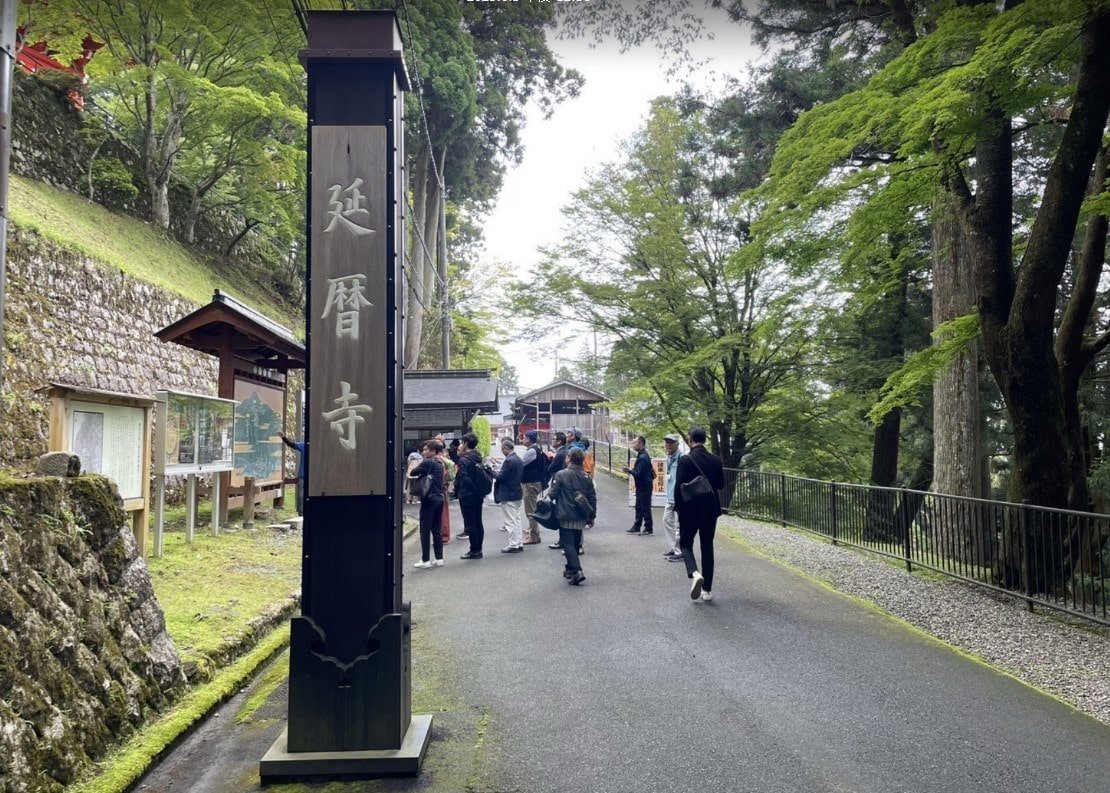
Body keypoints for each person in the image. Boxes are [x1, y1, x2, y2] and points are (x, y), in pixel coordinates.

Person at [673, 425, 726, 602]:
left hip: (689, 510)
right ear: (704, 440)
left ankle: (694, 573)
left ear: (690, 440)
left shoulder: (685, 460)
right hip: (710, 510)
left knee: (686, 544)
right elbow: (720, 484)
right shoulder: (715, 460)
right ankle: (707, 590)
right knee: (707, 546)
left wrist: (678, 509)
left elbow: (678, 488)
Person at [548, 447, 596, 586]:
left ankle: (577, 570)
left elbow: (553, 494)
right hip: (581, 514)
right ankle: (569, 569)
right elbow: (592, 498)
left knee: (568, 544)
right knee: (574, 544)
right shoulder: (587, 477)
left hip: (565, 514)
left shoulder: (561, 474)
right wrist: (592, 516)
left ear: (569, 458)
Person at [407, 440, 446, 569]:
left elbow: (413, 472)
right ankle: (439, 558)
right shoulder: (440, 463)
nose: (423, 452)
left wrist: (417, 466)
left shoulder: (428, 462)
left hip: (428, 499)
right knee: (436, 529)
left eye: (425, 450)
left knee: (424, 529)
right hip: (439, 498)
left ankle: (425, 560)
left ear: (433, 451)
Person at [455, 433, 487, 559]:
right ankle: (479, 549)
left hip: (467, 495)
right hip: (478, 494)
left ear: (466, 444)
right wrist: (478, 491)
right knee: (478, 521)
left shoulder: (464, 460)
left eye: (462, 443)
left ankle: (474, 550)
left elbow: (464, 478)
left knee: (470, 523)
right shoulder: (479, 457)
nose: (461, 445)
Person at [495, 438, 525, 553]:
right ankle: (518, 542)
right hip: (517, 492)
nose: (502, 451)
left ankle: (513, 545)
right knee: (517, 519)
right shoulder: (518, 459)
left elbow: (501, 476)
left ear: (506, 448)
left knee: (510, 521)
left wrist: (490, 471)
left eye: (502, 449)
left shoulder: (509, 461)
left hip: (508, 493)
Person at [623, 435, 655, 535]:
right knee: (639, 506)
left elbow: (639, 474)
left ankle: (648, 528)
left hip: (644, 486)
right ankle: (637, 526)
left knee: (645, 507)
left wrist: (629, 471)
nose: (633, 445)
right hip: (643, 485)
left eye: (635, 443)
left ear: (641, 444)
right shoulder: (642, 455)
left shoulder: (643, 457)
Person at [519, 430, 546, 545]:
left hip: (530, 483)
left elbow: (519, 463)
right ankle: (532, 530)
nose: (522, 440)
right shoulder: (536, 449)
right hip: (534, 482)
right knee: (531, 509)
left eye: (524, 438)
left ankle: (534, 536)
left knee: (530, 511)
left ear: (529, 440)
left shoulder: (531, 451)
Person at [662, 434, 685, 561]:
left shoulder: (682, 458)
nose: (668, 445)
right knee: (667, 521)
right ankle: (674, 548)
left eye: (671, 443)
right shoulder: (669, 458)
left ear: (677, 444)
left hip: (679, 498)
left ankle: (679, 552)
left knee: (678, 526)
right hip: (670, 497)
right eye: (667, 443)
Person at [546, 432, 570, 551]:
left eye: (554, 439)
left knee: (560, 513)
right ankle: (563, 541)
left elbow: (552, 468)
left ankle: (563, 541)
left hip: (559, 484)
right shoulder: (563, 451)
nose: (552, 441)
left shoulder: (560, 453)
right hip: (562, 484)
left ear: (560, 441)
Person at [278, 432, 305, 516]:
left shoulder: (304, 445)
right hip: (306, 475)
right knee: (302, 494)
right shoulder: (305, 445)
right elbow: (291, 444)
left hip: (303, 475)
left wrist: (284, 438)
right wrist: (284, 437)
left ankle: (301, 512)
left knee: (301, 494)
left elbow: (291, 444)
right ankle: (301, 512)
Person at [437, 442, 456, 544]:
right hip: (444, 488)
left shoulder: (440, 459)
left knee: (441, 514)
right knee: (444, 513)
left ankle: (443, 536)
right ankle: (445, 535)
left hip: (439, 489)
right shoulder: (445, 457)